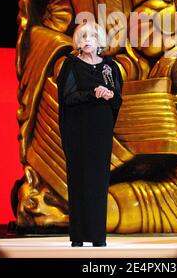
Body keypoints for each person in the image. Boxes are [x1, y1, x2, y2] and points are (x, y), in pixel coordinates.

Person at [56, 21, 123, 247]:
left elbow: (117, 99)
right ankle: (78, 236)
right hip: (78, 129)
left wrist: (107, 94)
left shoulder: (110, 67)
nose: (86, 41)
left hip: (101, 130)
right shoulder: (72, 65)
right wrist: (92, 93)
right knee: (79, 178)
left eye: (91, 37)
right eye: (83, 37)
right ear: (78, 42)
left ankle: (97, 237)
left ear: (99, 42)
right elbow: (68, 96)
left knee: (98, 180)